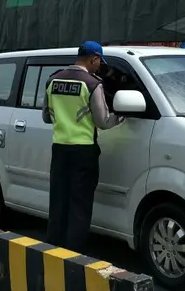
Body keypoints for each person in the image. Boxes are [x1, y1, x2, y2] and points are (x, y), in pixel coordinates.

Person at [41, 41, 125, 251]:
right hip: (83, 152)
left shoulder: (53, 80)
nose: (99, 67)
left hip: (59, 149)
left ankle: (53, 248)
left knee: (58, 201)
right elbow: (103, 122)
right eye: (99, 62)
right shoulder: (92, 84)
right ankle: (73, 252)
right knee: (80, 204)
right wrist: (121, 117)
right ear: (93, 58)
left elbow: (46, 116)